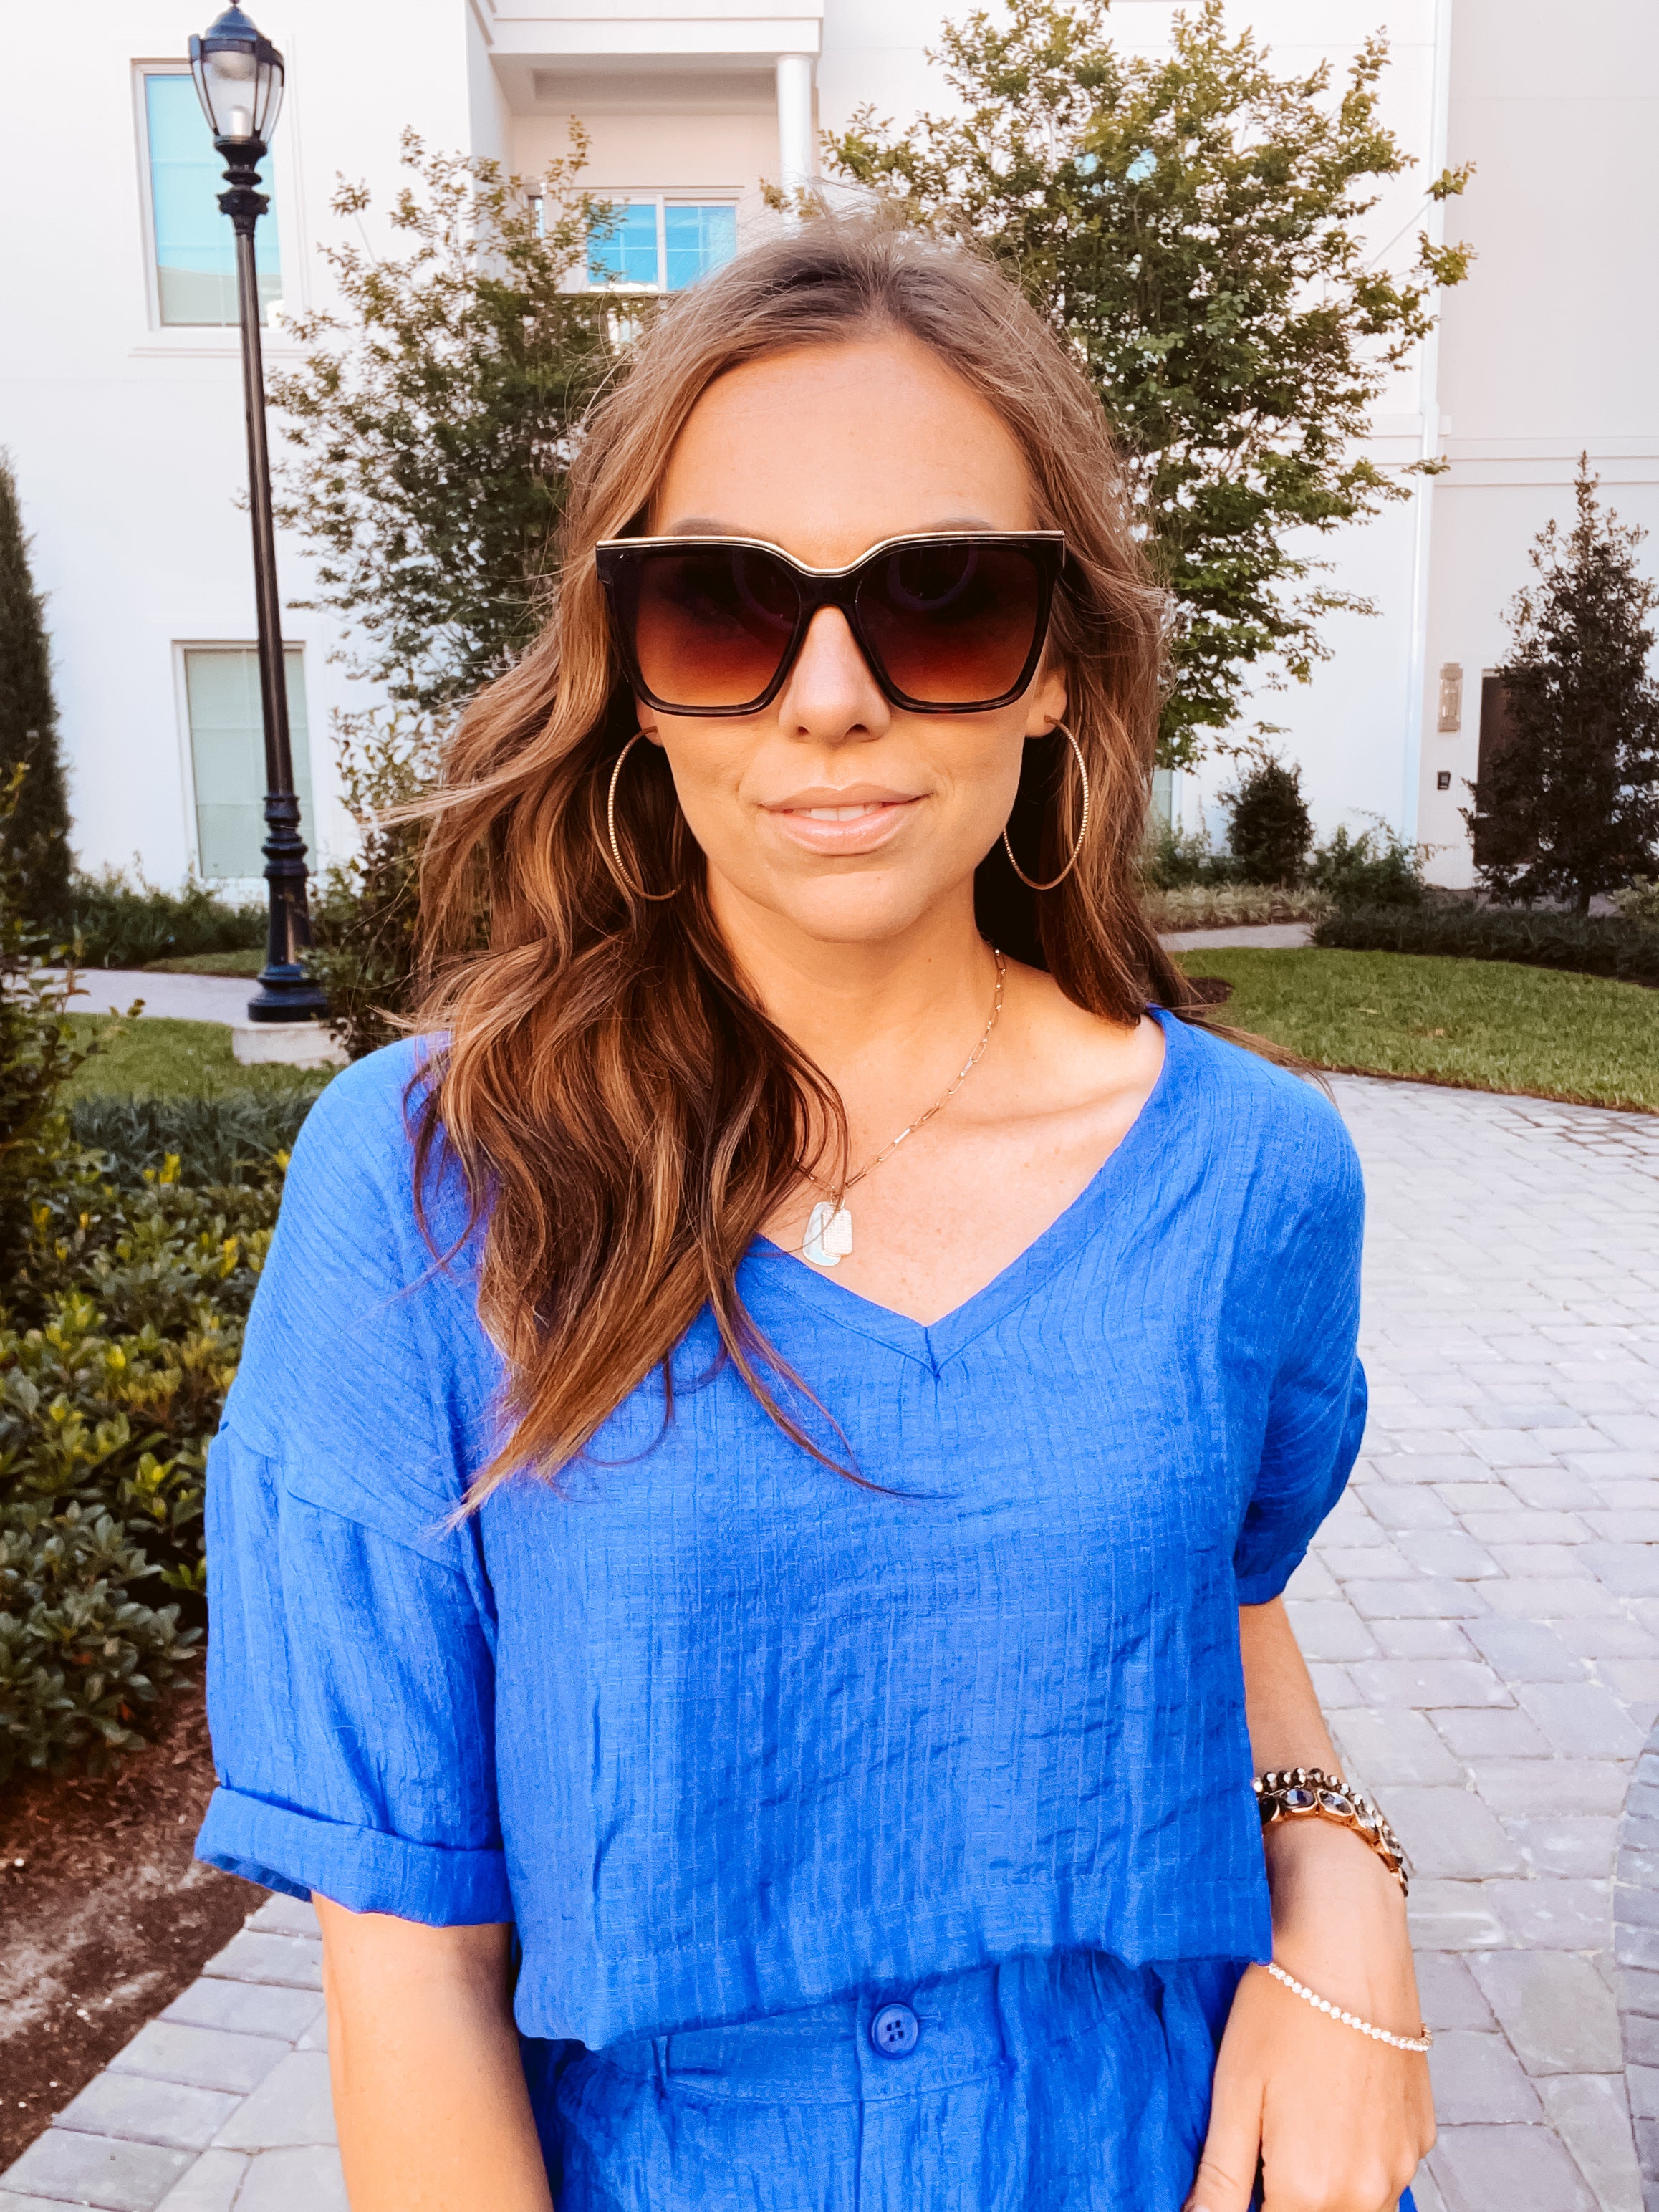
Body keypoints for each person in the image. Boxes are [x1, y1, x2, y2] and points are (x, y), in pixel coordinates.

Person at [197, 219, 1436, 2212]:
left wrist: (1342, 1890)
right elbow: (406, 1963)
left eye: (944, 600)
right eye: (722, 606)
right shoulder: (428, 1182)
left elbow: (1214, 1590)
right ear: (630, 676)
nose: (832, 697)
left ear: (1058, 666)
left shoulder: (1252, 1173)